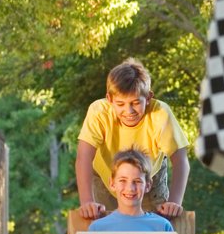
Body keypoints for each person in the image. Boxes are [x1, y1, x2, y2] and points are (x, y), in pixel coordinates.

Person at [76, 57, 190, 221]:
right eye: (120, 104)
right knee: (105, 226)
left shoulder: (160, 114)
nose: (128, 111)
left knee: (159, 224)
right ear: (109, 99)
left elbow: (180, 161)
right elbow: (83, 158)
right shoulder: (98, 112)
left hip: (148, 178)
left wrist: (174, 202)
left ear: (149, 98)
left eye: (136, 102)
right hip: (107, 176)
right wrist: (87, 202)